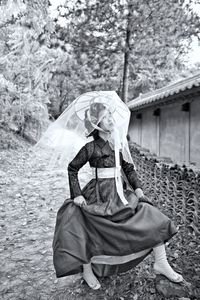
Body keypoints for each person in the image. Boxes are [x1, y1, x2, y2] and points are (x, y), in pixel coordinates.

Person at [51, 92, 183, 290]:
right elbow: (72, 168)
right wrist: (77, 194)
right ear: (96, 124)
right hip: (99, 193)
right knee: (79, 221)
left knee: (150, 213)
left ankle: (161, 262)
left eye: (110, 116)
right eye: (105, 117)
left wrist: (138, 190)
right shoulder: (90, 148)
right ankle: (87, 270)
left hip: (119, 194)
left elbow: (128, 168)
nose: (110, 120)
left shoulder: (117, 146)